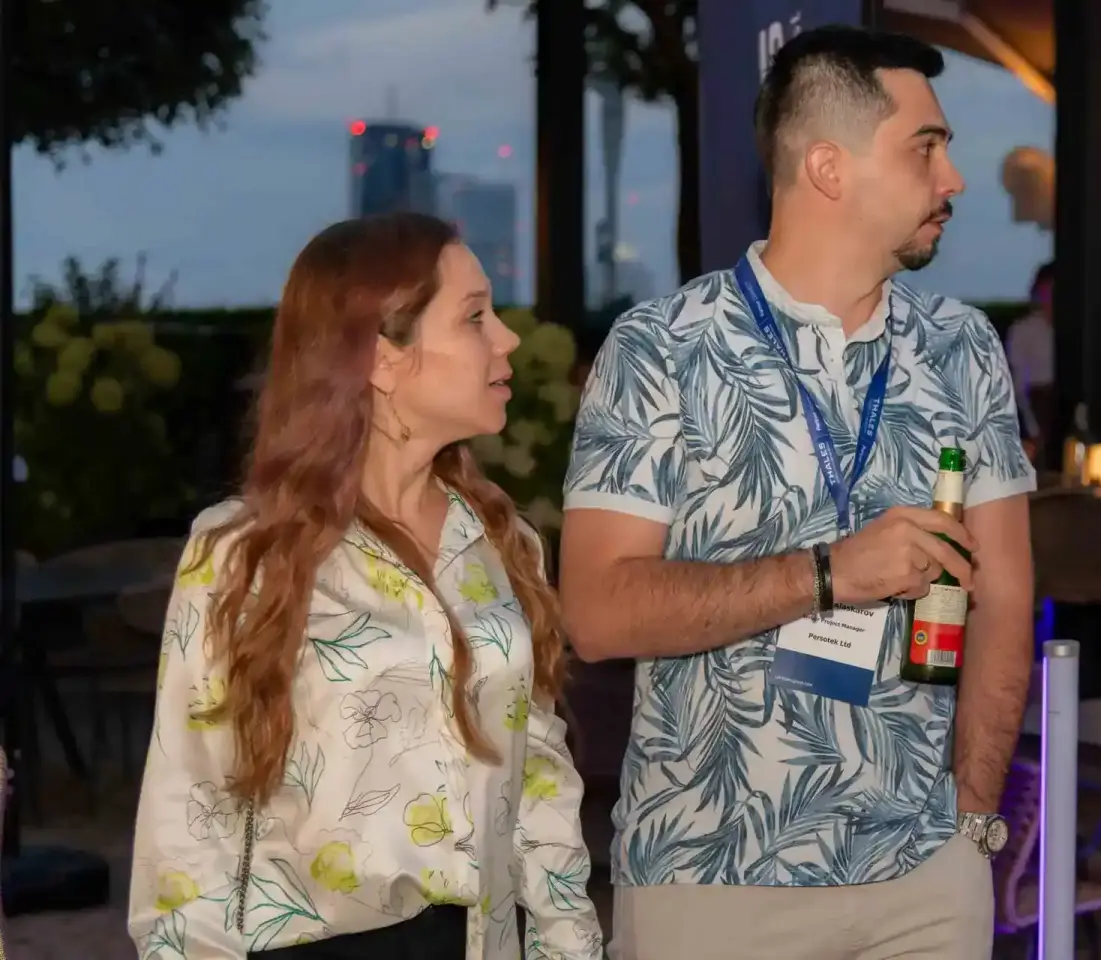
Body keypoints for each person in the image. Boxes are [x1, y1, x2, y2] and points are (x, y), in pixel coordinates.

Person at [561, 26, 1035, 960]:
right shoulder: (662, 348)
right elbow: (598, 613)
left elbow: (1007, 594)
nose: (955, 180)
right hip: (712, 880)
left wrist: (972, 822)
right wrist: (828, 575)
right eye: (926, 148)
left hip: (924, 883)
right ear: (828, 166)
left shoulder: (964, 346)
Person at [127, 213, 603, 960]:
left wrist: (572, 948)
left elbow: (540, 782)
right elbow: (189, 819)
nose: (507, 339)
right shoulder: (243, 554)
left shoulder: (505, 545)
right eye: (475, 317)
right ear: (383, 357)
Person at [1006, 260, 1054, 453]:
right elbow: (1018, 384)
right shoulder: (1023, 330)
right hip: (1039, 406)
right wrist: (1032, 429)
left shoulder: (1081, 328)